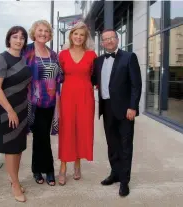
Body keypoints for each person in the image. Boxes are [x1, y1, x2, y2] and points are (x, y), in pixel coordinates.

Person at [91, 29, 142, 197]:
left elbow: (136, 85)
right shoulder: (98, 61)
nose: (109, 41)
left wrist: (133, 107)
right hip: (106, 108)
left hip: (125, 109)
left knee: (125, 145)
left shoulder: (129, 57)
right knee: (112, 144)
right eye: (105, 39)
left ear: (117, 39)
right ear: (102, 43)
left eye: (112, 37)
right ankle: (115, 173)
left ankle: (125, 181)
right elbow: (91, 80)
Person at [0, 26, 32, 202]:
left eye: (22, 38)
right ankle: (15, 184)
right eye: (15, 37)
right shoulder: (1, 59)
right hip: (7, 108)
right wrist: (9, 110)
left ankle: (13, 179)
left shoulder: (23, 58)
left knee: (19, 146)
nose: (18, 40)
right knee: (10, 147)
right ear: (9, 39)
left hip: (22, 107)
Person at [23, 20, 63, 186]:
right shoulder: (27, 51)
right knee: (42, 137)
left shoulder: (53, 54)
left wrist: (59, 105)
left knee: (41, 137)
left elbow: (59, 78)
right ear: (34, 32)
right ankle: (49, 170)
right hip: (33, 102)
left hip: (50, 102)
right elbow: (10, 60)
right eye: (40, 30)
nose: (43, 33)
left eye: (46, 31)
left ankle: (36, 169)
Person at [57, 22, 97, 185]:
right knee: (66, 130)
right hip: (67, 96)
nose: (78, 37)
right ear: (71, 35)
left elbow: (96, 77)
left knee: (82, 129)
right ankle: (63, 167)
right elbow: (57, 76)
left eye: (82, 34)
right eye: (76, 34)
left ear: (85, 37)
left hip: (86, 97)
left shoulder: (92, 55)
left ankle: (78, 164)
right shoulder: (63, 55)